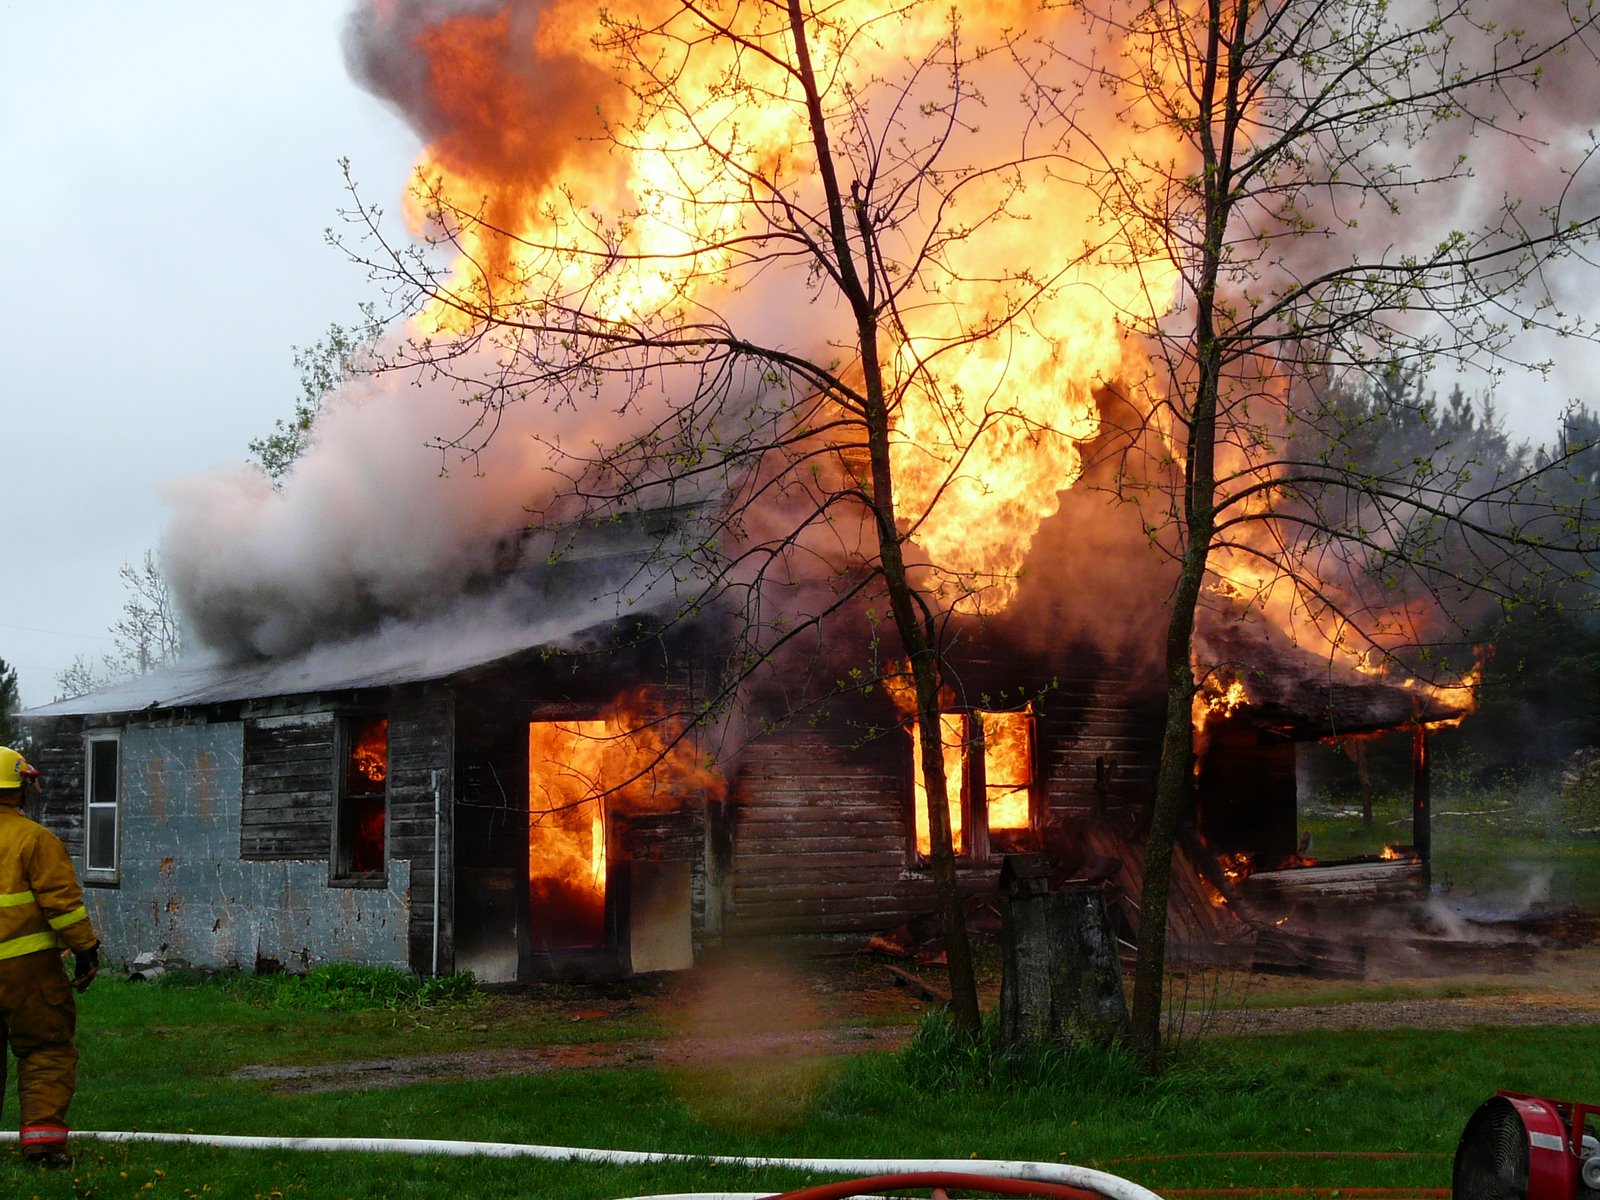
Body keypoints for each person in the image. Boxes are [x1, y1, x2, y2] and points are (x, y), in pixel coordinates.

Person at [0, 746, 99, 1170]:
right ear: (20, 788)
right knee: (45, 1051)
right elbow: (63, 906)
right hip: (27, 975)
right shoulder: (36, 840)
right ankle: (42, 1148)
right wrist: (85, 949)